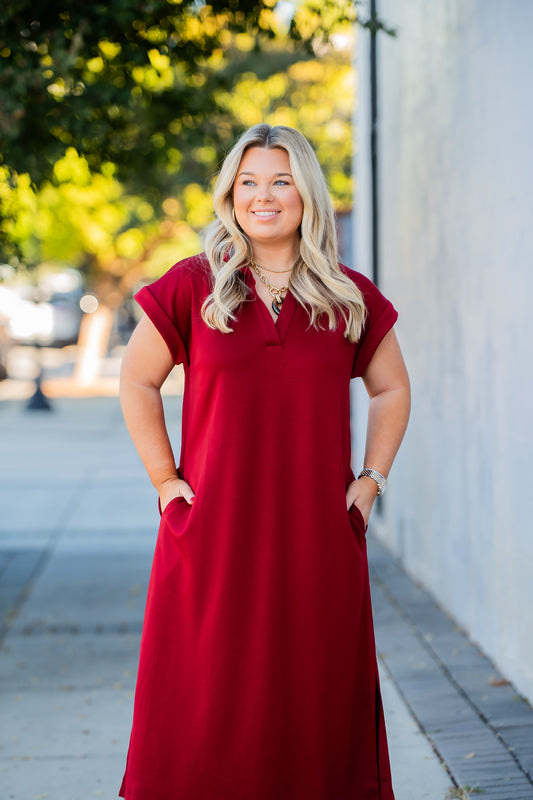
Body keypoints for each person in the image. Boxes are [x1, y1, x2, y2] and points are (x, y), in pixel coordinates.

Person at [118, 123, 410, 800]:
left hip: (317, 539)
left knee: (313, 699)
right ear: (229, 194)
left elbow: (391, 388)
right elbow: (136, 381)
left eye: (280, 181)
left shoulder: (347, 295)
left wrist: (370, 481)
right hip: (211, 534)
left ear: (305, 193)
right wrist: (166, 482)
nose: (263, 196)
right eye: (248, 182)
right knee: (204, 701)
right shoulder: (194, 285)